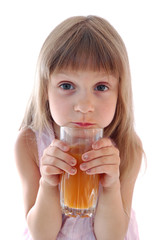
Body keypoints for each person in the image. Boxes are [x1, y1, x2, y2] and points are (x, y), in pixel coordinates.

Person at [15, 15, 144, 240]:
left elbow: (112, 236)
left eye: (101, 87)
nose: (84, 106)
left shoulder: (127, 146)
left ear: (119, 92)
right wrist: (48, 182)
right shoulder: (29, 143)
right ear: (46, 89)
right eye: (67, 85)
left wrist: (111, 184)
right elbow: (41, 235)